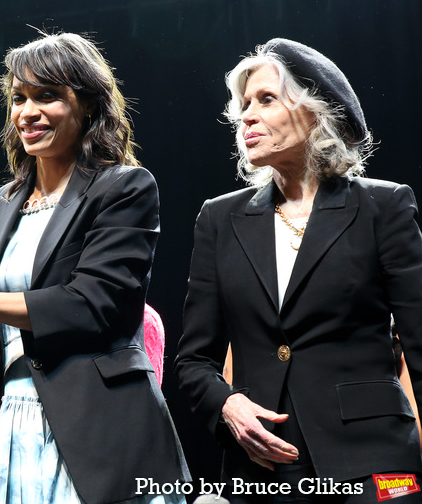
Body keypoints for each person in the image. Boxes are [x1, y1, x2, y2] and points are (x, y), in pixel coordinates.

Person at [0, 32, 190, 504]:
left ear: (88, 104)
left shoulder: (124, 187)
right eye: (19, 98)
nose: (27, 111)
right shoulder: (1, 203)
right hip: (7, 422)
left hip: (99, 428)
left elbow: (91, 307)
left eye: (47, 95)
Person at [175, 38, 422, 502]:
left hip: (375, 466)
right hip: (264, 469)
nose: (245, 115)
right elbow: (194, 361)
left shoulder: (383, 206)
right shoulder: (218, 218)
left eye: (266, 99)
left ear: (316, 112)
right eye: (243, 104)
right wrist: (227, 404)